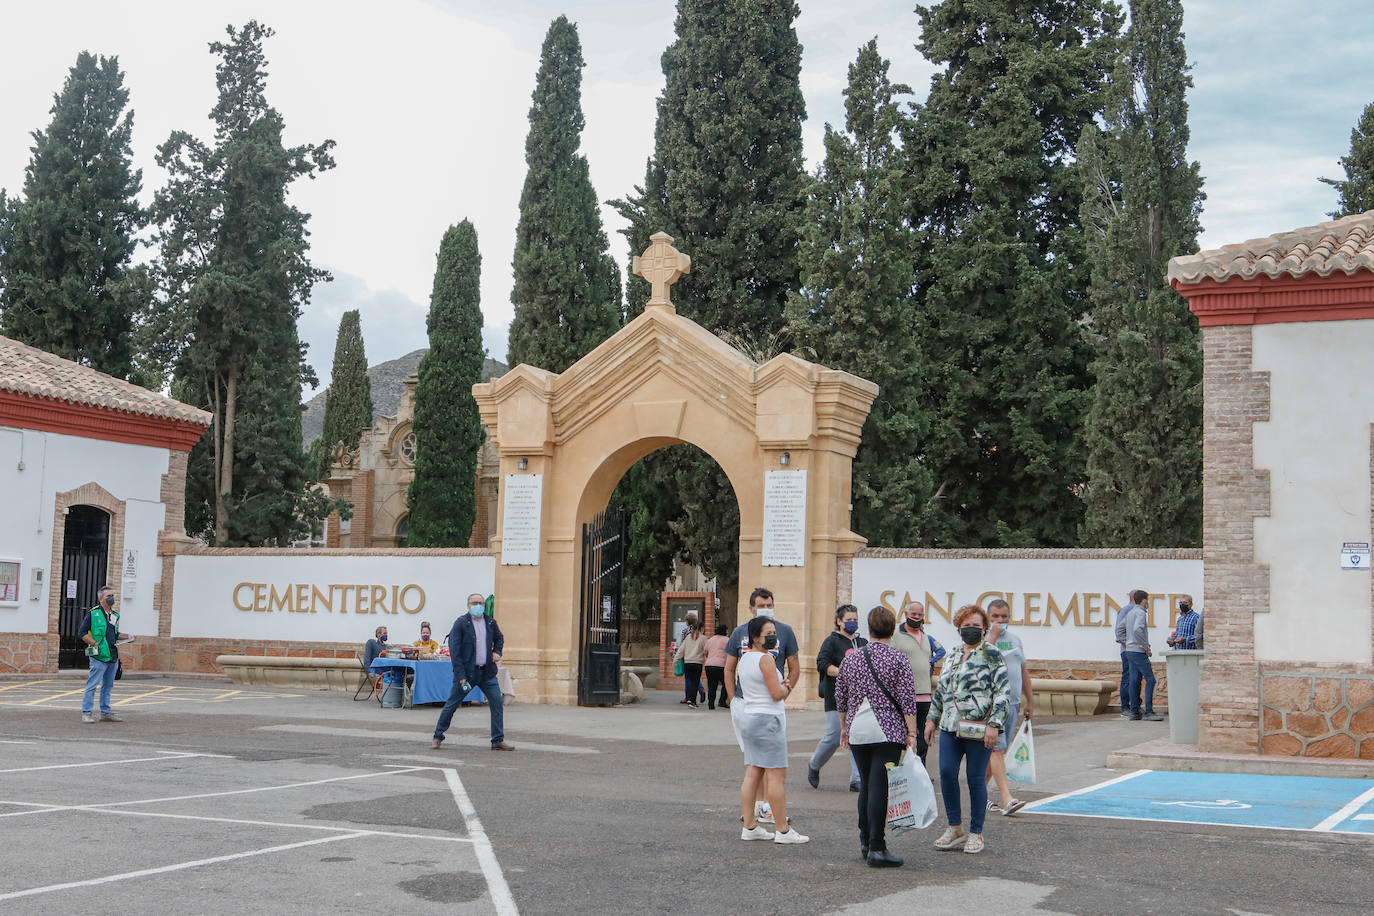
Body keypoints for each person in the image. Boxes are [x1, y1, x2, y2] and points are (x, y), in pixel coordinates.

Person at [836, 606, 919, 868]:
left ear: (869, 629)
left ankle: (864, 841)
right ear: (893, 629)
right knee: (880, 788)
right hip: (888, 730)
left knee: (866, 786)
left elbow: (841, 697)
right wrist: (912, 732)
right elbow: (908, 700)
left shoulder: (852, 658)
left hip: (858, 728)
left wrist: (844, 728)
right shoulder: (898, 658)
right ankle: (877, 846)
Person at [925, 604, 1009, 855]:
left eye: (976, 626)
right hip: (951, 726)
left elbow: (1003, 691)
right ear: (958, 628)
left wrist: (994, 724)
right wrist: (932, 720)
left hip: (980, 727)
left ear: (984, 629)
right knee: (947, 773)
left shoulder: (992, 654)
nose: (971, 630)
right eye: (966, 626)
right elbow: (941, 690)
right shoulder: (951, 654)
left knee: (975, 779)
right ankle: (954, 827)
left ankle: (976, 832)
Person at [724, 587, 799, 826]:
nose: (766, 608)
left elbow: (794, 666)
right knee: (760, 763)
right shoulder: (741, 636)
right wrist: (732, 697)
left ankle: (760, 812)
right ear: (751, 608)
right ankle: (763, 814)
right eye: (761, 604)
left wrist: (786, 690)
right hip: (752, 705)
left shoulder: (784, 632)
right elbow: (728, 667)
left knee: (756, 765)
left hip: (769, 706)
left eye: (769, 604)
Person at [734, 615, 808, 845]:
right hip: (767, 720)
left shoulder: (745, 659)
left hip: (750, 717)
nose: (773, 637)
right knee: (776, 776)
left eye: (774, 632)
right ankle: (783, 830)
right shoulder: (765, 660)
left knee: (753, 772)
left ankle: (750, 825)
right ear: (756, 638)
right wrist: (786, 688)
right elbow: (776, 694)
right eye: (768, 633)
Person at [433, 593, 512, 751]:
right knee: (452, 704)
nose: (478, 606)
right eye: (475, 603)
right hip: (467, 675)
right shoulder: (461, 623)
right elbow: (455, 652)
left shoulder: (490, 622)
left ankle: (497, 740)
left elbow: (499, 638)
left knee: (497, 703)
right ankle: (438, 736)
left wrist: (497, 651)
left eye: (481, 603)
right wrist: (460, 676)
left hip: (487, 673)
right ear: (468, 605)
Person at [809, 604, 867, 792]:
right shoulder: (832, 642)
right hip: (836, 696)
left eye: (855, 619)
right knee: (835, 735)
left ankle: (857, 778)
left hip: (858, 698)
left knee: (857, 735)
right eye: (848, 620)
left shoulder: (863, 643)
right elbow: (822, 663)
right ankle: (815, 764)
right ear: (839, 621)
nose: (852, 623)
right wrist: (843, 671)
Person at [984, 598, 1032, 816]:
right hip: (994, 705)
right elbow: (984, 661)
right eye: (995, 616)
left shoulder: (1015, 640)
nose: (1000, 620)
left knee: (995, 751)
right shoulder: (984, 639)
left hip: (1012, 703)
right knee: (997, 749)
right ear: (988, 617)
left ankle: (980, 793)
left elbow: (1022, 670)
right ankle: (1007, 798)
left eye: (1004, 616)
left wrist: (1029, 700)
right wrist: (992, 636)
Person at [890, 600, 945, 763]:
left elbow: (941, 650)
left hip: (925, 696)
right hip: (903, 697)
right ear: (906, 614)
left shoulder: (927, 638)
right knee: (899, 737)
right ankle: (896, 772)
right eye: (913, 614)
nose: (916, 617)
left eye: (920, 614)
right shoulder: (896, 636)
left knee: (923, 737)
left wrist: (932, 661)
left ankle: (920, 771)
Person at [79, 585, 124, 723]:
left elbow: (114, 634)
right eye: (108, 596)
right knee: (92, 684)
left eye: (113, 595)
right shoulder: (93, 614)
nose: (112, 598)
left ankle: (105, 712)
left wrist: (128, 637)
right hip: (99, 656)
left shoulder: (114, 616)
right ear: (100, 598)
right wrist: (94, 644)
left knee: (108, 685)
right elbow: (82, 633)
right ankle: (86, 712)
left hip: (112, 655)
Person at [1115, 588, 1161, 721]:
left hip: (1129, 651)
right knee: (1150, 680)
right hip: (1138, 651)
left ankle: (1134, 710)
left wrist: (1126, 643)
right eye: (1147, 600)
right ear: (1144, 600)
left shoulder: (1130, 613)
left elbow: (1119, 630)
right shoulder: (1140, 613)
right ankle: (1148, 711)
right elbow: (1137, 630)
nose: (1148, 603)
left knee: (1134, 680)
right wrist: (1145, 647)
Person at [674, 613, 707, 708]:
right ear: (701, 628)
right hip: (697, 663)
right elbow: (706, 650)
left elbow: (681, 649)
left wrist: (675, 660)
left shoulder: (687, 636)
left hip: (687, 662)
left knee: (689, 680)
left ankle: (689, 698)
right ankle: (693, 700)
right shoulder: (703, 638)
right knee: (695, 681)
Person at [703, 624, 730, 709]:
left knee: (711, 685)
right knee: (726, 684)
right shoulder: (727, 640)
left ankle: (711, 704)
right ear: (725, 631)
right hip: (722, 666)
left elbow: (705, 652)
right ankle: (722, 701)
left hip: (709, 665)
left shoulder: (710, 639)